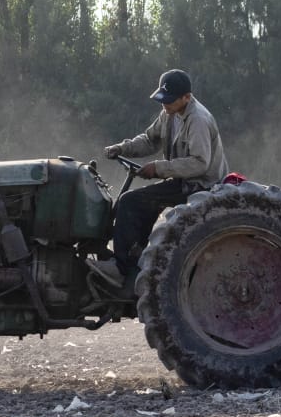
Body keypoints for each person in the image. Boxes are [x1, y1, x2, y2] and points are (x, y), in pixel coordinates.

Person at [94, 68, 229, 294]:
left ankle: (121, 268)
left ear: (187, 97)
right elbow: (149, 140)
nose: (164, 104)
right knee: (140, 202)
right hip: (183, 180)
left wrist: (159, 168)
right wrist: (122, 148)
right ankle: (135, 258)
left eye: (170, 99)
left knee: (130, 202)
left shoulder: (198, 119)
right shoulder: (169, 113)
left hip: (201, 185)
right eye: (163, 99)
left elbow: (199, 163)